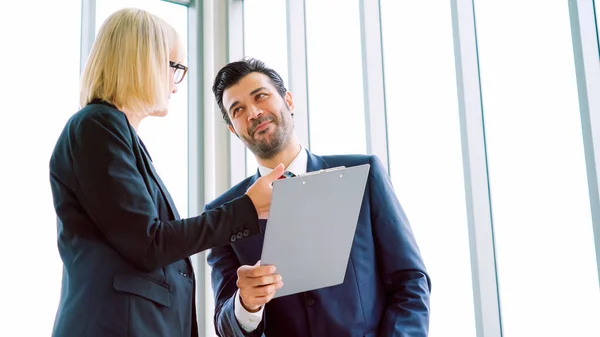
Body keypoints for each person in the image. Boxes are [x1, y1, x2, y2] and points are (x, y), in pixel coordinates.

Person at [49, 9, 283, 337]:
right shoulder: (96, 127)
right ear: (141, 61)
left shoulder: (116, 134)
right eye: (174, 67)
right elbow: (150, 242)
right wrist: (246, 209)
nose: (175, 84)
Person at [206, 57, 431, 337]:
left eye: (260, 96)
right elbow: (225, 325)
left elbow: (409, 280)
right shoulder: (223, 213)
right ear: (233, 130)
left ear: (288, 100)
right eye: (238, 110)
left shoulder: (363, 173)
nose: (253, 113)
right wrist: (246, 305)